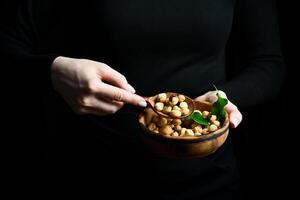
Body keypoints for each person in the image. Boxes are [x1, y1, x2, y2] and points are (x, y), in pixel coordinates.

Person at [0, 0, 284, 199]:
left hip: (209, 177)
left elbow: (268, 63)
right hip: (97, 171)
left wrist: (222, 100)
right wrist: (53, 70)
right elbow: (6, 47)